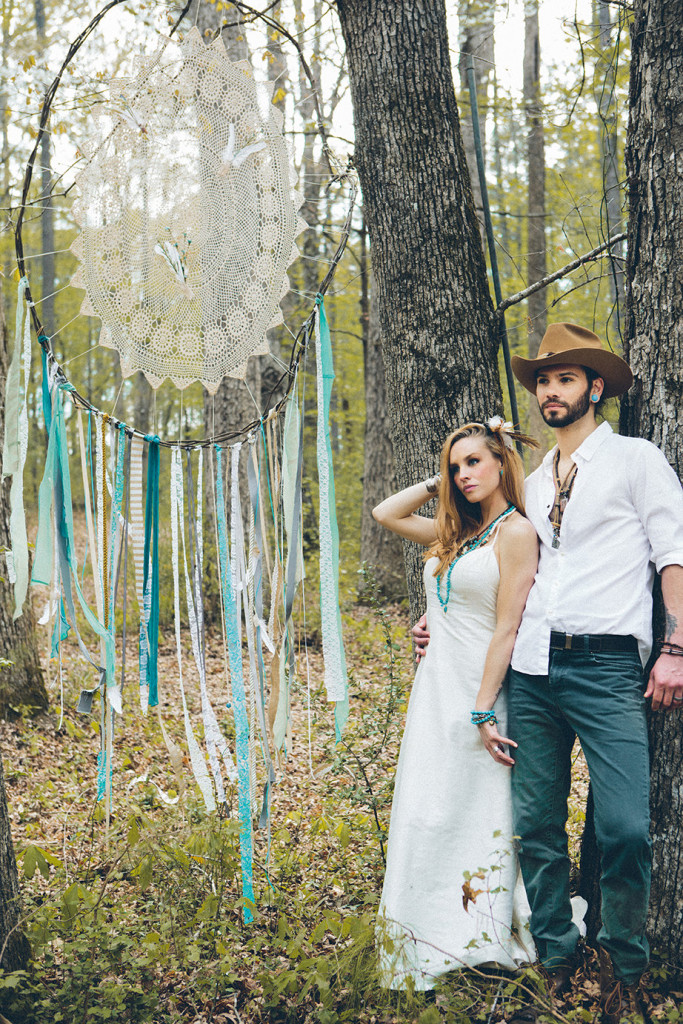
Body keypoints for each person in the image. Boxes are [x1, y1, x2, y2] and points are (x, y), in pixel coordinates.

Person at [414, 323, 683, 1023]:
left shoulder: (635, 459)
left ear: (593, 388)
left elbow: (671, 553)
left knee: (623, 828)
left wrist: (675, 647)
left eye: (564, 378)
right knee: (535, 825)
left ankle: (624, 966)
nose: (550, 391)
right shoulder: (529, 483)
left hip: (605, 667)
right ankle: (557, 957)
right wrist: (437, 618)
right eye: (541, 380)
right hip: (530, 673)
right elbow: (500, 567)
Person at [372, 417, 542, 990]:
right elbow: (385, 514)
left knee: (476, 807)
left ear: (501, 464)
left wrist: (484, 709)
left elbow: (507, 628)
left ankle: (480, 933)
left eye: (474, 462)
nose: (464, 474)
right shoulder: (457, 534)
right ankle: (422, 927)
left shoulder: (515, 533)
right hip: (434, 688)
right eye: (455, 466)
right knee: (428, 806)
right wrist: (436, 483)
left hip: (481, 689)